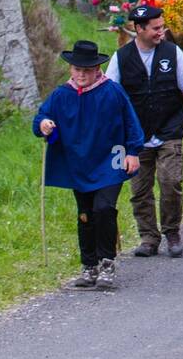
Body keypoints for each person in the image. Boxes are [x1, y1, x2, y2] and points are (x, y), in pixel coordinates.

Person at [33, 40, 144, 290]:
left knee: (104, 208)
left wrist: (133, 151)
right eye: (77, 69)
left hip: (110, 161)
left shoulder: (112, 91)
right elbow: (41, 117)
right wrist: (44, 124)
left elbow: (131, 122)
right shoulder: (62, 95)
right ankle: (89, 265)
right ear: (71, 69)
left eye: (87, 70)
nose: (81, 74)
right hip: (79, 164)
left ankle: (107, 263)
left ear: (97, 70)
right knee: (85, 215)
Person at [105, 3, 183, 258]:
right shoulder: (121, 57)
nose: (162, 32)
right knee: (139, 190)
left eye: (162, 26)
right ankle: (148, 237)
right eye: (156, 28)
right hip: (136, 135)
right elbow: (110, 95)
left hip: (169, 128)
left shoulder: (173, 52)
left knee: (171, 182)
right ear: (139, 29)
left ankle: (172, 232)